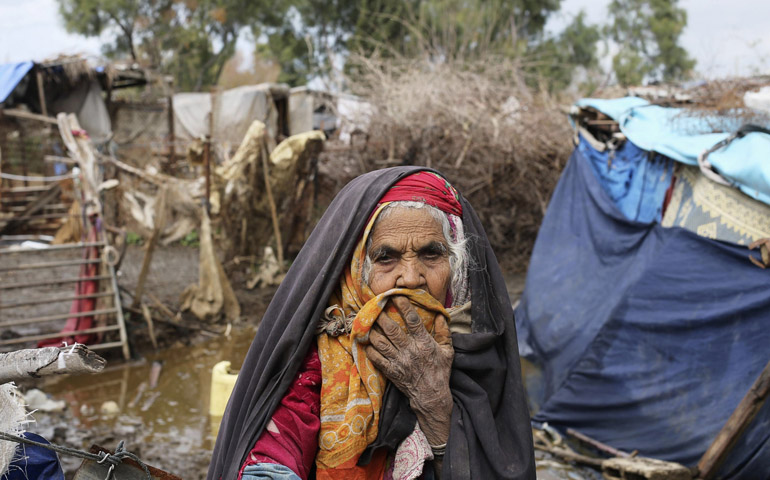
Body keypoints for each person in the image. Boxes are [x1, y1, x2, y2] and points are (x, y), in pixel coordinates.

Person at [208, 167, 535, 480]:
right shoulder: (321, 349)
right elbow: (278, 444)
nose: (410, 278)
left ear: (456, 268)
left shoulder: (482, 358)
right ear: (355, 269)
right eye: (386, 258)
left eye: (431, 255)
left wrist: (435, 407)